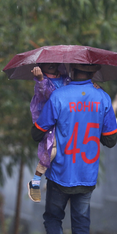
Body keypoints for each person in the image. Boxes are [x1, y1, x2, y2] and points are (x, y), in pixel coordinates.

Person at [31, 63, 117, 234]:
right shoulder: (103, 97)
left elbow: (37, 133)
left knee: (52, 218)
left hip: (60, 174)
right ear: (94, 71)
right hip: (87, 176)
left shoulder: (59, 96)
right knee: (81, 233)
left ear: (71, 70)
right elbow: (111, 140)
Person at [27, 63, 70, 202]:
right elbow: (46, 95)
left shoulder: (66, 78)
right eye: (46, 63)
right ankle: (35, 180)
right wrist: (40, 79)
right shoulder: (41, 81)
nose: (51, 64)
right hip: (50, 122)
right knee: (51, 151)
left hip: (66, 121)